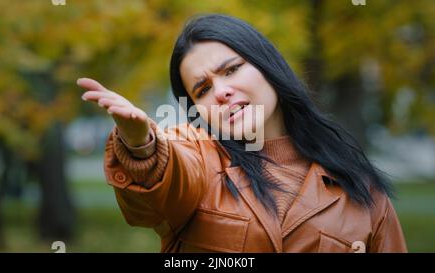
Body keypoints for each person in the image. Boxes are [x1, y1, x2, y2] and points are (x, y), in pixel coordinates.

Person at [78, 14, 407, 253]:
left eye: (231, 69)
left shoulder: (360, 188)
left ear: (267, 66)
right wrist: (140, 145)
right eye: (203, 89)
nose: (221, 91)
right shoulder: (199, 156)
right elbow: (166, 176)